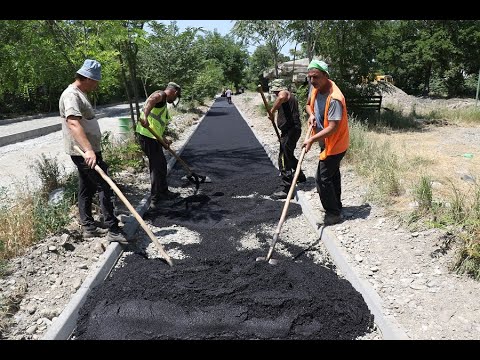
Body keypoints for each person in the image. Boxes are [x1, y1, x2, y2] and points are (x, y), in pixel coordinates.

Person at [59, 59, 128, 244]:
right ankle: (113, 229)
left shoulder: (80, 93)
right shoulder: (71, 95)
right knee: (105, 186)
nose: (97, 84)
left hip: (88, 151)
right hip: (83, 152)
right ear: (88, 78)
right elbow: (73, 122)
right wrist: (89, 150)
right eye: (96, 81)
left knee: (86, 187)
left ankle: (88, 226)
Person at [303, 60, 349, 226]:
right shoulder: (315, 88)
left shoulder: (335, 98)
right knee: (332, 174)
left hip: (336, 143)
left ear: (326, 76)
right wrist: (311, 115)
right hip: (326, 142)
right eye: (310, 77)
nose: (312, 81)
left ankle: (333, 214)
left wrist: (311, 139)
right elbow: (308, 105)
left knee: (322, 178)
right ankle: (336, 205)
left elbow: (333, 128)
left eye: (316, 77)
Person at [136, 82, 182, 213]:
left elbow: (156, 124)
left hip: (153, 137)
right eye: (176, 96)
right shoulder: (161, 95)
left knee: (161, 164)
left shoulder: (163, 104)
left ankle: (163, 192)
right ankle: (155, 200)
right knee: (156, 167)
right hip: (147, 136)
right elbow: (151, 100)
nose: (175, 99)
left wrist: (163, 140)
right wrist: (144, 116)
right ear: (174, 92)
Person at [268, 79, 307, 200]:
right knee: (288, 154)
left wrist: (272, 111)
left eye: (275, 91)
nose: (275, 94)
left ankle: (286, 188)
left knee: (283, 157)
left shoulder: (284, 93)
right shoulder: (291, 96)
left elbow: (281, 97)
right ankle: (300, 176)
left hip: (291, 130)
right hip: (291, 130)